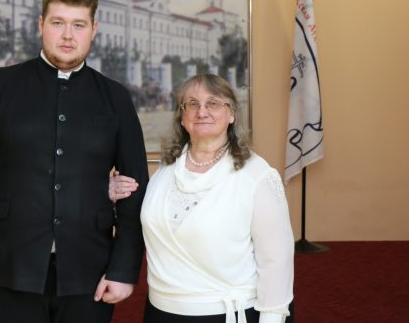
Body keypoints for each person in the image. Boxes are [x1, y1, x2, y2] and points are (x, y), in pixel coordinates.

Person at [0, 0, 150, 323]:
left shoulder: (116, 98)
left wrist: (123, 268)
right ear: (41, 24)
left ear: (94, 29)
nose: (68, 35)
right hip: (8, 266)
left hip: (90, 271)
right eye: (58, 23)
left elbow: (136, 189)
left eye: (79, 25)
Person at [110, 74, 294, 323]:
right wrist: (111, 194)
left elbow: (276, 261)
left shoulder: (257, 176)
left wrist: (272, 318)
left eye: (214, 103)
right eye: (193, 104)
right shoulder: (166, 170)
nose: (202, 111)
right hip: (160, 312)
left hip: (224, 314)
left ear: (232, 114)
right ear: (182, 117)